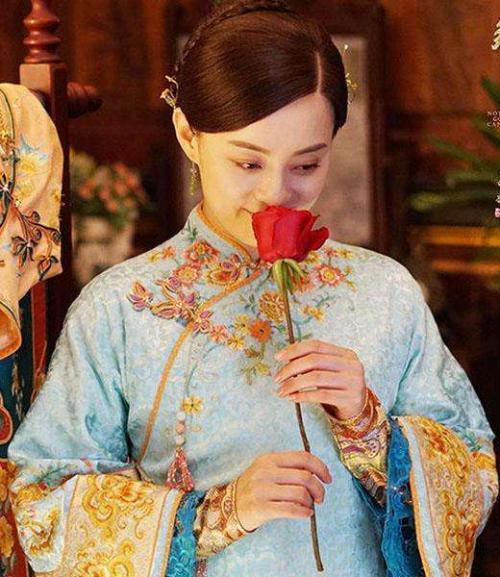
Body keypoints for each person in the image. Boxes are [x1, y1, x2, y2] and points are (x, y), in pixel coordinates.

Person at [6, 1, 498, 576]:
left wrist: (369, 428)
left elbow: (475, 468)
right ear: (188, 134)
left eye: (307, 165)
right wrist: (220, 513)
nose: (276, 193)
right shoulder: (120, 307)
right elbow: (42, 501)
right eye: (247, 163)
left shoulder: (385, 291)